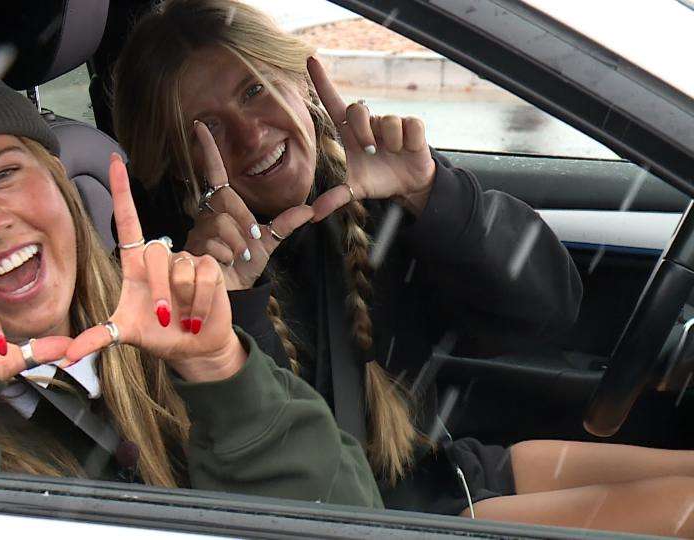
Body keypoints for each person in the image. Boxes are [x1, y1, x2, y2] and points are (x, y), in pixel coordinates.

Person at [110, 0, 694, 535]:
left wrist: (431, 193)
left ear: (301, 81)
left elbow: (548, 312)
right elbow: (290, 484)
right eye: (207, 128)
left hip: (440, 470)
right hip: (383, 513)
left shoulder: (360, 194)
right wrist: (236, 303)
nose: (250, 134)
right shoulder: (180, 283)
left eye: (255, 90)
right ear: (178, 163)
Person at [0, 59, 380, 507]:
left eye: (4, 174)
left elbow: (349, 518)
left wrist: (221, 372)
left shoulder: (170, 319)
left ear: (60, 182)